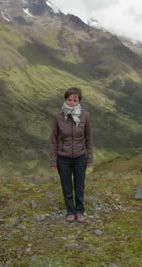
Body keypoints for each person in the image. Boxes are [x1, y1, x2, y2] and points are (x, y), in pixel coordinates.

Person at [49, 87, 93, 223]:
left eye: (75, 100)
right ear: (65, 99)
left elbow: (89, 138)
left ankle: (80, 211)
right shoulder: (58, 116)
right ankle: (70, 211)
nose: (72, 103)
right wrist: (53, 161)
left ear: (79, 100)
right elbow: (53, 140)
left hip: (80, 157)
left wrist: (90, 158)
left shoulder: (85, 115)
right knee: (67, 186)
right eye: (70, 100)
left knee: (79, 186)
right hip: (63, 158)